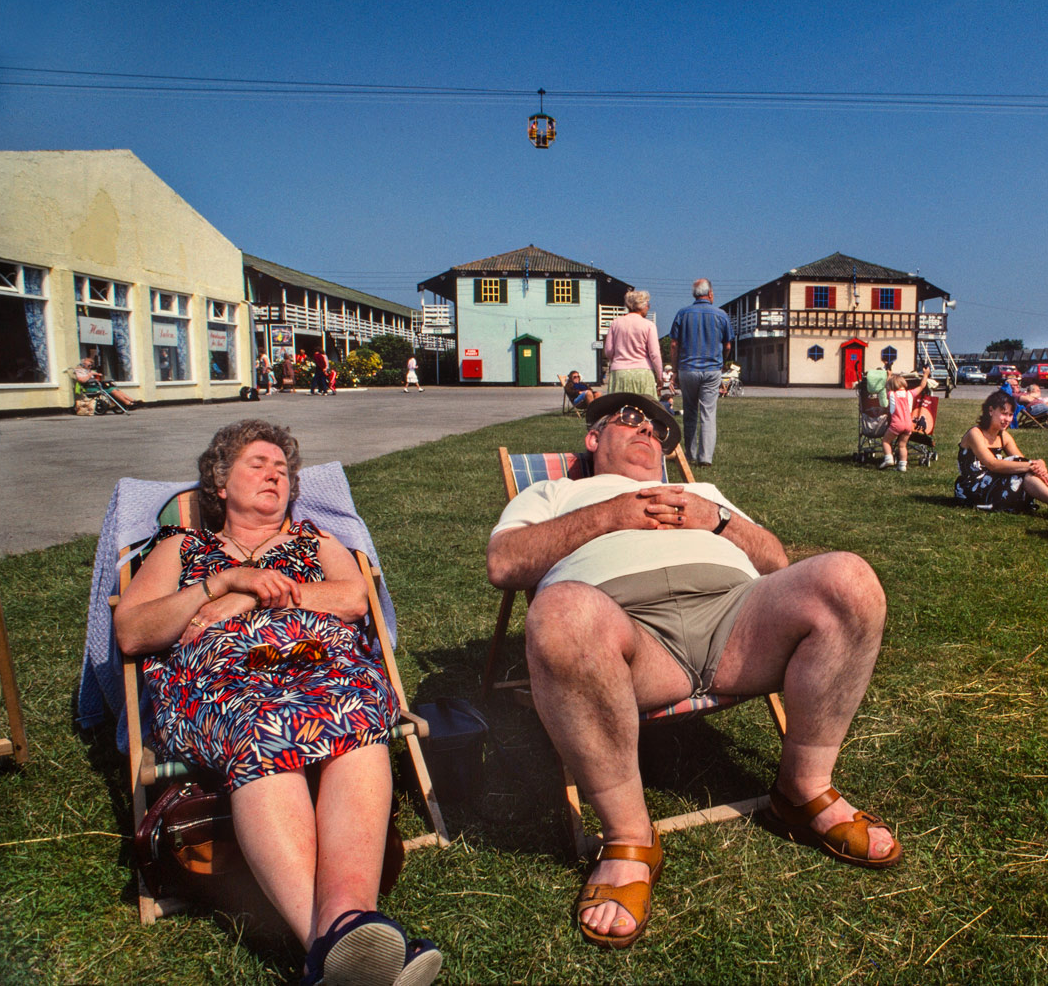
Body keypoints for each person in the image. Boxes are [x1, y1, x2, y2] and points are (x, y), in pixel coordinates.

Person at [486, 394, 902, 950]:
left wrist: (719, 520)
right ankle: (629, 837)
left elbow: (778, 563)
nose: (647, 431)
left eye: (658, 429)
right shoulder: (555, 492)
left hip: (737, 623)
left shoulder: (701, 492)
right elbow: (505, 563)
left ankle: (803, 791)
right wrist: (610, 516)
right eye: (628, 420)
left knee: (849, 579)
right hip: (628, 638)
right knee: (560, 613)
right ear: (592, 439)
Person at [112, 420, 441, 986]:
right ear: (219, 483)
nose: (274, 475)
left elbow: (353, 597)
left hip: (323, 664)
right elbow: (133, 631)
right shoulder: (181, 548)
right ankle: (339, 939)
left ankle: (334, 939)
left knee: (360, 707)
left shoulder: (313, 541)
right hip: (224, 680)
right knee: (264, 721)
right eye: (256, 464)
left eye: (282, 470)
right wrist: (223, 583)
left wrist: (250, 597)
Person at [955, 391, 1048, 520]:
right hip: (974, 488)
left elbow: (1022, 460)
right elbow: (992, 464)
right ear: (991, 411)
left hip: (994, 481)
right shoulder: (975, 433)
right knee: (1024, 471)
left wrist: (1038, 464)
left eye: (1010, 415)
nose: (1007, 420)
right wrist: (1031, 465)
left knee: (1028, 469)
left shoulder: (1003, 436)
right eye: (1004, 414)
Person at [669, 278, 735, 467]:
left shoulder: (683, 313)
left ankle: (689, 455)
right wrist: (722, 361)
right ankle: (705, 457)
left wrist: (674, 369)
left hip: (688, 369)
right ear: (710, 294)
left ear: (694, 294)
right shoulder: (721, 315)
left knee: (689, 412)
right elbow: (728, 345)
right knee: (708, 413)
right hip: (712, 368)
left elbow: (674, 344)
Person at [604, 290, 665, 399]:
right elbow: (654, 354)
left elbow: (608, 351)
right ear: (642, 306)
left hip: (619, 373)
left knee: (619, 409)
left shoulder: (615, 323)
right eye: (647, 304)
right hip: (643, 373)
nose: (648, 307)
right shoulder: (649, 325)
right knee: (645, 409)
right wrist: (659, 376)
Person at [879, 368, 932, 471]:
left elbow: (887, 387)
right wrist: (925, 374)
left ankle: (888, 458)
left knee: (886, 441)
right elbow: (922, 386)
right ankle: (903, 466)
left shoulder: (891, 394)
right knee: (902, 446)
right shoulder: (910, 394)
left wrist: (889, 376)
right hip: (908, 424)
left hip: (896, 424)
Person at [73, 357, 141, 408]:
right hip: (89, 387)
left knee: (115, 389)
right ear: (84, 365)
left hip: (96, 386)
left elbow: (96, 379)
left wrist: (98, 375)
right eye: (89, 365)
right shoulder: (80, 371)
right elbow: (81, 380)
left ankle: (132, 400)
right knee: (112, 390)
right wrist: (90, 375)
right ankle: (127, 403)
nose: (90, 367)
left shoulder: (90, 371)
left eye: (91, 365)